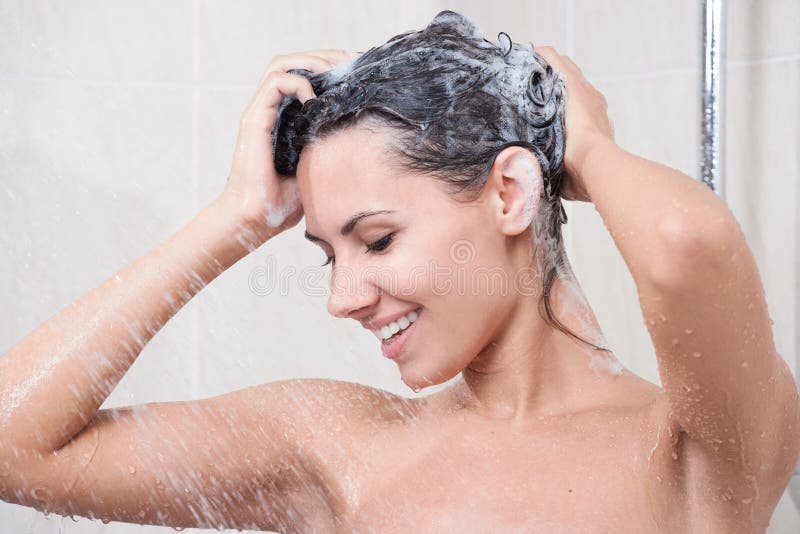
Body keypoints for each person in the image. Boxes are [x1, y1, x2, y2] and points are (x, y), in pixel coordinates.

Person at [1, 10, 798, 533]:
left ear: (510, 192)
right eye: (326, 253)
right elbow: (14, 447)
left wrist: (583, 147)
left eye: (376, 241)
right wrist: (235, 220)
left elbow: (681, 243)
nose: (343, 299)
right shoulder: (339, 446)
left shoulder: (694, 449)